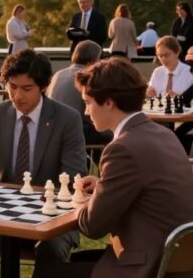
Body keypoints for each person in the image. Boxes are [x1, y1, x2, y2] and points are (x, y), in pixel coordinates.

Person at [39, 58, 193, 278]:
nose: (85, 112)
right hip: (177, 262)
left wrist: (80, 199)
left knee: (48, 273)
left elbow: (93, 227)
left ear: (109, 102)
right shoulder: (164, 134)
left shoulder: (122, 148)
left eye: (88, 102)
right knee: (73, 262)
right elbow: (148, 188)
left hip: (148, 265)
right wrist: (104, 186)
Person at [0, 49, 86, 278]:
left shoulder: (67, 118)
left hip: (53, 216)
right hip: (6, 213)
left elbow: (75, 176)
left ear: (44, 86)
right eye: (12, 86)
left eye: (27, 88)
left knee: (51, 249)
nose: (17, 96)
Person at [47, 40, 113, 149]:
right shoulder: (87, 78)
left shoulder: (58, 74)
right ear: (93, 60)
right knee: (114, 132)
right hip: (75, 130)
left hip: (52, 129)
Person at [146, 36, 193, 152]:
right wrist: (148, 92)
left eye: (166, 55)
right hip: (159, 118)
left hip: (182, 120)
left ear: (177, 52)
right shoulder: (158, 72)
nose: (162, 59)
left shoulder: (189, 72)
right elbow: (152, 94)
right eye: (159, 55)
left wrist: (181, 98)